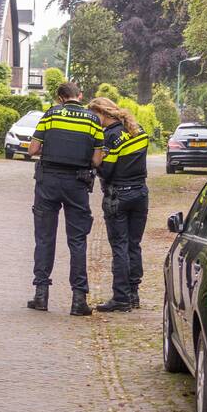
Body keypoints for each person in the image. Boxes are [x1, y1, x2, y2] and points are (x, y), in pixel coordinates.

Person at [26, 82, 105, 315]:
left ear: (60, 98)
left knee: (44, 238)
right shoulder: (93, 120)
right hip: (77, 184)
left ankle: (41, 295)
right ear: (78, 96)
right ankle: (79, 300)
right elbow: (97, 161)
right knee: (77, 241)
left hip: (48, 182)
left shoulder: (50, 115)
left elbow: (32, 149)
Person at [88, 97, 149, 312]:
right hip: (140, 193)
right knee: (134, 244)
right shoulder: (137, 129)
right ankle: (134, 294)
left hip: (118, 196)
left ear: (102, 113)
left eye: (94, 116)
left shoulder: (110, 137)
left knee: (120, 247)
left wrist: (94, 164)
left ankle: (121, 298)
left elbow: (107, 170)